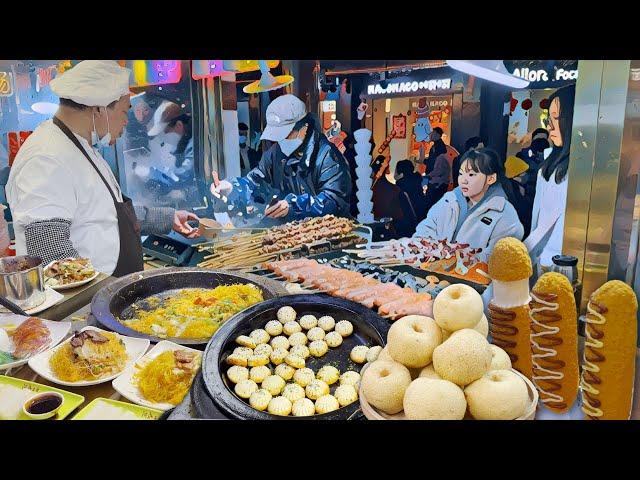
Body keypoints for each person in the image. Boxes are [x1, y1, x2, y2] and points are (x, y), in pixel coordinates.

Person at [6, 61, 199, 277]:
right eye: (125, 112)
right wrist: (104, 294)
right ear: (99, 108)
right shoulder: (46, 158)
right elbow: (49, 249)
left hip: (107, 293)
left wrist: (166, 218)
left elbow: (107, 213)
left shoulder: (82, 148)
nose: (126, 122)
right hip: (83, 304)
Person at [210, 94, 352, 220]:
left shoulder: (328, 155)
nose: (281, 140)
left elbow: (334, 201)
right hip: (295, 236)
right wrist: (231, 187)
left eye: (285, 134)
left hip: (331, 237)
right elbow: (255, 182)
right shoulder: (275, 153)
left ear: (304, 127)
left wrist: (292, 205)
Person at [414, 147, 524, 262]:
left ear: (491, 178)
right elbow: (426, 229)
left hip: (472, 278)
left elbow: (497, 259)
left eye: (471, 175)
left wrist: (454, 257)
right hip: (432, 273)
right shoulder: (449, 199)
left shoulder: (505, 213)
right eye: (461, 174)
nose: (463, 180)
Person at [524, 85, 576, 277]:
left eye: (557, 118)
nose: (550, 127)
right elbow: (538, 222)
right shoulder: (548, 166)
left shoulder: (578, 172)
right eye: (549, 119)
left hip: (563, 266)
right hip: (543, 262)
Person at [371, 156, 415, 238]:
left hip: (374, 231)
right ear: (387, 168)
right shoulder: (396, 190)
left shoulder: (368, 191)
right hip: (393, 233)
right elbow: (404, 217)